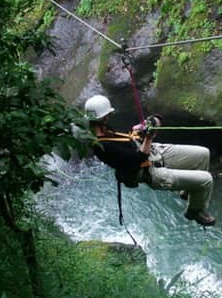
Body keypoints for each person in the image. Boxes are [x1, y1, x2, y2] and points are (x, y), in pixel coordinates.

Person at [84, 94, 215, 226]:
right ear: (105, 117)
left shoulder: (105, 131)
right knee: (206, 180)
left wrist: (144, 127)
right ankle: (194, 211)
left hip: (153, 152)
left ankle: (189, 192)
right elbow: (136, 160)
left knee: (204, 154)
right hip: (148, 171)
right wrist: (148, 137)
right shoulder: (101, 146)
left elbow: (126, 144)